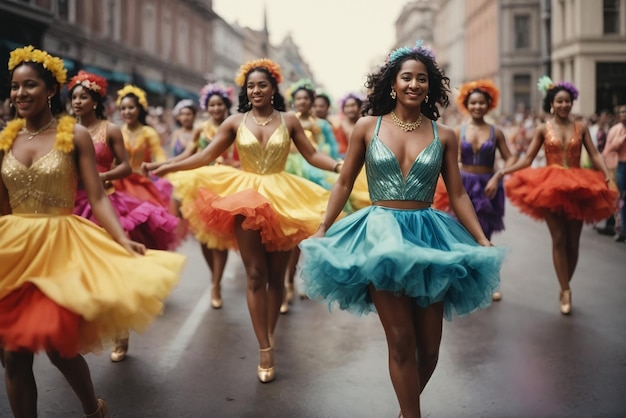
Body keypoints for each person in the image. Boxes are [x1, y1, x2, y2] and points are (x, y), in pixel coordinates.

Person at [298, 41, 505, 418]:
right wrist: (323, 228)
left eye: (422, 79)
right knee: (401, 339)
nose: (414, 84)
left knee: (429, 349)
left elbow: (457, 193)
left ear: (431, 86)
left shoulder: (445, 135)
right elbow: (344, 182)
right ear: (392, 83)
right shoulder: (366, 126)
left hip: (430, 237)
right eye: (406, 77)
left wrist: (480, 238)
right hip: (381, 237)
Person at [0, 45, 184, 417]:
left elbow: (99, 198)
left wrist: (121, 238)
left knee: (59, 350)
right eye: (15, 87)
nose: (20, 94)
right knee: (13, 356)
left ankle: (92, 407)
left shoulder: (76, 137)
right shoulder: (4, 140)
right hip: (13, 251)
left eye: (30, 85)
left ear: (51, 90)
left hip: (59, 249)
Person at [150, 58, 342, 383]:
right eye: (250, 86)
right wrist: (168, 166)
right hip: (246, 196)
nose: (255, 90)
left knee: (277, 278)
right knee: (255, 274)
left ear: (272, 89)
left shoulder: (290, 120)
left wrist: (340, 166)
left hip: (284, 198)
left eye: (261, 85)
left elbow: (311, 155)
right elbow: (205, 155)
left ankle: (270, 331)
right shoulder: (234, 121)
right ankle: (265, 347)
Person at [497, 76, 617, 315]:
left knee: (574, 242)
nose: (564, 105)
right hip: (550, 186)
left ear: (572, 103)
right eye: (559, 101)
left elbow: (594, 154)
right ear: (552, 104)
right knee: (559, 238)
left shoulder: (581, 128)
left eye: (567, 101)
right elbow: (528, 159)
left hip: (579, 185)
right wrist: (503, 171)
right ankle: (565, 290)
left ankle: (565, 283)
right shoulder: (543, 128)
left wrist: (606, 175)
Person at [145, 83, 236, 309]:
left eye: (220, 104)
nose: (216, 108)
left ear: (226, 106)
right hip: (202, 185)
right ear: (207, 107)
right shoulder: (200, 129)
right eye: (212, 104)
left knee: (221, 236)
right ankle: (214, 277)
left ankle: (216, 282)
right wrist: (163, 164)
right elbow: (187, 154)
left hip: (228, 183)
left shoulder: (235, 126)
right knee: (204, 235)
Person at [69, 70, 179, 253]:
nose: (77, 102)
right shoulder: (67, 131)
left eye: (83, 97)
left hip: (112, 192)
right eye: (74, 97)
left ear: (95, 102)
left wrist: (158, 167)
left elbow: (128, 165)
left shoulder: (113, 130)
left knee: (107, 250)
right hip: (74, 200)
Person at [433, 80, 516, 301]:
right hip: (463, 184)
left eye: (482, 103)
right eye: (474, 103)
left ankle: (491, 282)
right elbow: (444, 158)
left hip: (488, 185)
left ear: (489, 105)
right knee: (459, 233)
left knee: (484, 234)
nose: (478, 107)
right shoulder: (457, 131)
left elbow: (511, 158)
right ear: (466, 105)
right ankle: (461, 280)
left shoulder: (496, 132)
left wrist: (499, 175)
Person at [113, 85, 173, 209]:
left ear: (139, 109)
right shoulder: (116, 132)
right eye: (123, 108)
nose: (127, 112)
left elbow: (159, 155)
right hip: (117, 183)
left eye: (131, 107)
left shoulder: (148, 132)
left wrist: (162, 170)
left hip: (141, 183)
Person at [603, 104, 626, 242]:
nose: (624, 114)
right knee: (622, 197)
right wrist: (621, 139)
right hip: (621, 166)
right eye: (622, 112)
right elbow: (607, 150)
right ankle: (623, 229)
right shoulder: (615, 130)